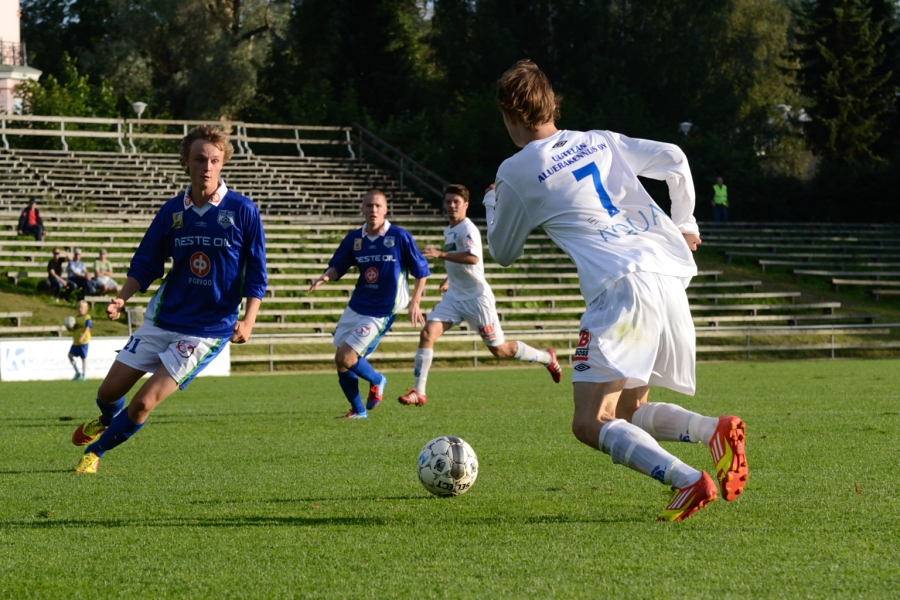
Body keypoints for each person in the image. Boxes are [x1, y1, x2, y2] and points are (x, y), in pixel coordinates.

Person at [484, 60, 748, 521]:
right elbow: (674, 159)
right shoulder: (598, 140)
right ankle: (714, 430)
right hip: (666, 278)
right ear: (551, 105)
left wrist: (492, 201)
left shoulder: (516, 169)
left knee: (590, 422)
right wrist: (685, 221)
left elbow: (503, 251)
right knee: (628, 409)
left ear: (510, 116)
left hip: (621, 288)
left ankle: (687, 480)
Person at [71, 125, 267, 474]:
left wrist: (249, 319)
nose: (206, 167)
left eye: (214, 160)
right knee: (107, 392)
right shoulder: (173, 210)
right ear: (186, 163)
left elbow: (257, 273)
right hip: (163, 319)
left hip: (206, 330)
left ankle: (96, 453)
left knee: (143, 402)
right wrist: (122, 298)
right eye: (199, 159)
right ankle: (106, 419)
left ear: (222, 165)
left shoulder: (243, 210)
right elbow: (146, 262)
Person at [397, 184, 562, 407]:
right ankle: (419, 391)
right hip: (455, 297)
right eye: (448, 202)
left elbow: (473, 258)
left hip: (476, 300)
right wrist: (449, 278)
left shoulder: (468, 228)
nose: (452, 206)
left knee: (500, 350)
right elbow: (463, 262)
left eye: (456, 202)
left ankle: (546, 358)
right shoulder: (449, 230)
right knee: (427, 333)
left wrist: (440, 254)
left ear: (466, 204)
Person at [308, 190, 430, 419]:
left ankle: (377, 379)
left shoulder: (399, 236)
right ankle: (358, 411)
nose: (373, 210)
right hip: (357, 305)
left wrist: (415, 301)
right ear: (362, 209)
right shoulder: (355, 239)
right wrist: (326, 276)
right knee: (340, 362)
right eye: (368, 206)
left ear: (385, 209)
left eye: (377, 206)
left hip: (382, 310)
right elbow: (338, 266)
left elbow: (421, 271)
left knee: (347, 357)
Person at [67, 300, 92, 381]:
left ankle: (84, 376)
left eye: (81, 307)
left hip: (84, 341)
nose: (80, 309)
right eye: (78, 308)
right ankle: (77, 373)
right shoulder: (76, 318)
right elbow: (73, 329)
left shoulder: (87, 317)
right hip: (76, 341)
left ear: (85, 308)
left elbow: (88, 327)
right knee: (70, 355)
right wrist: (69, 328)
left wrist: (82, 336)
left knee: (83, 358)